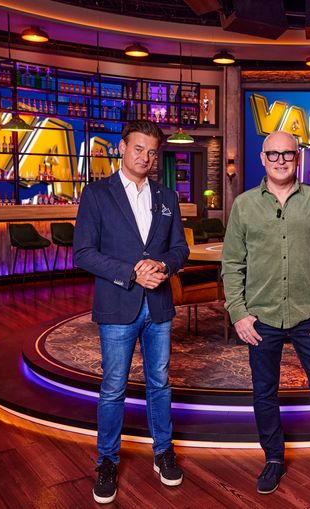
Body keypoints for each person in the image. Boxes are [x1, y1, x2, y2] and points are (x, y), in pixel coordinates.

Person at [221, 130, 310, 495]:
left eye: (288, 154)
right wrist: (238, 312)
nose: (280, 160)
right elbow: (231, 264)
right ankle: (273, 459)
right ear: (262, 159)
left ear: (298, 159)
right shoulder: (244, 205)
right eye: (273, 154)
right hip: (260, 318)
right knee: (264, 393)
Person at [74, 120, 189, 503]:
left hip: (159, 306)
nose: (146, 157)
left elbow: (180, 250)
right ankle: (107, 461)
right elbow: (83, 253)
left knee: (160, 383)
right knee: (113, 388)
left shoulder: (167, 197)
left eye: (152, 152)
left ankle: (163, 452)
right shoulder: (96, 194)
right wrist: (132, 273)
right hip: (117, 303)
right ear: (122, 148)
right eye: (139, 149)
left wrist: (163, 266)